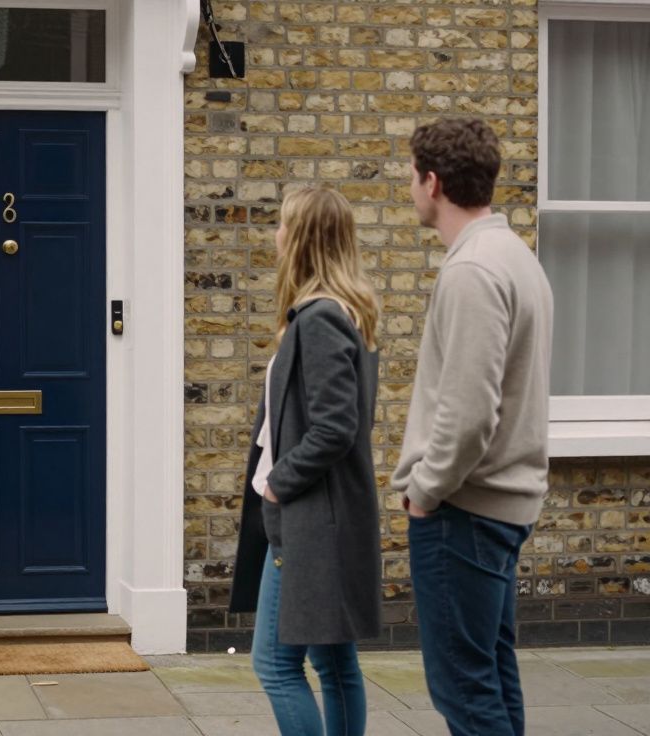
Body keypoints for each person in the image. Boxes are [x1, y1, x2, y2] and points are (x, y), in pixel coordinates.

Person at [394, 118, 554, 736]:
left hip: (463, 512)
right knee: (489, 674)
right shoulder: (515, 257)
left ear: (432, 181)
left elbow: (467, 415)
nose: (410, 188)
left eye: (412, 176)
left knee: (462, 688)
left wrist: (425, 491)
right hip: (500, 508)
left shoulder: (472, 271)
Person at [230, 187, 383, 736]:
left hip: (311, 519)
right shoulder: (350, 313)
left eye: (283, 225)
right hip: (330, 515)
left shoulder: (319, 319)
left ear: (304, 240)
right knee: (335, 665)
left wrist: (277, 483)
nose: (275, 235)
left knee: (274, 665)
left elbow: (337, 427)